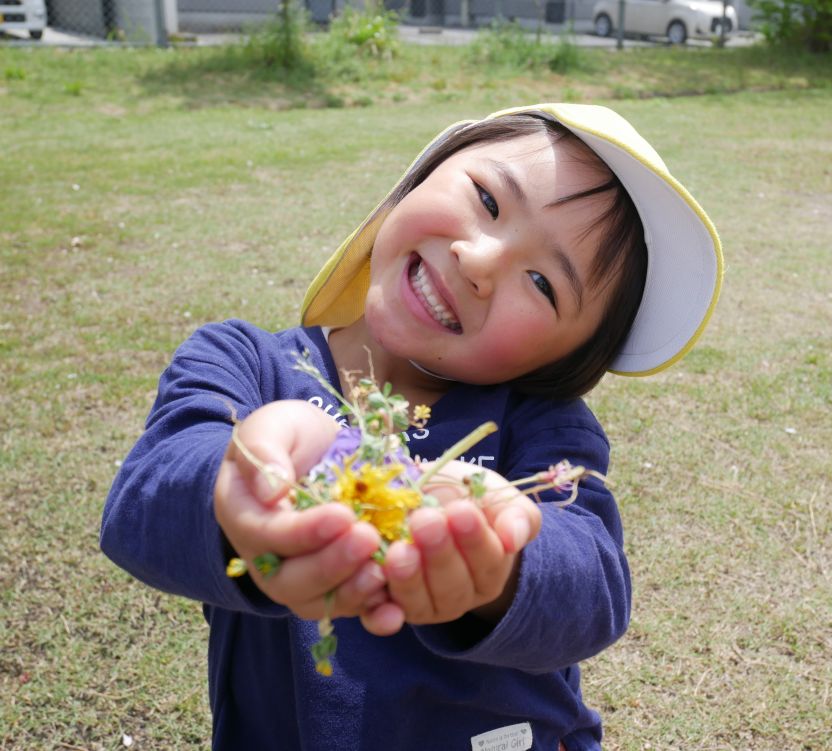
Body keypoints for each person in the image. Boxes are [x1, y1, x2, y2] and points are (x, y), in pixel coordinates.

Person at [101, 103, 723, 751]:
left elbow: (593, 583)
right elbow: (144, 498)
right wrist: (237, 487)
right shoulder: (244, 366)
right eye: (487, 198)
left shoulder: (541, 427)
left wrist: (503, 559)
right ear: (418, 178)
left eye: (541, 283)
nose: (480, 260)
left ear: (562, 360)